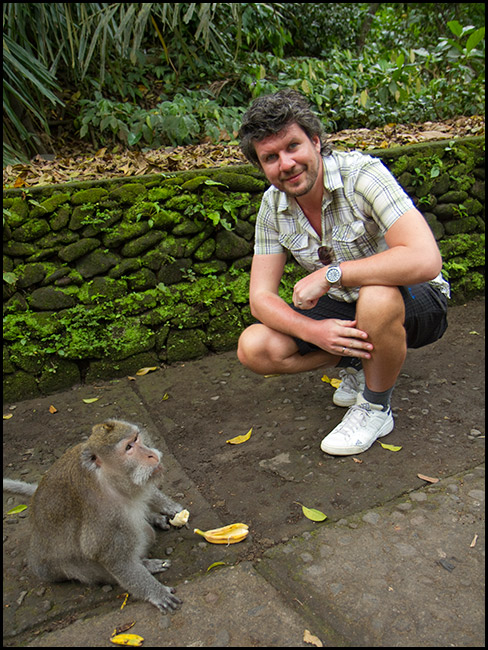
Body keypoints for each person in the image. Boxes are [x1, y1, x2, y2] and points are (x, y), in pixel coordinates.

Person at [237, 89, 449, 456]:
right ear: (261, 166)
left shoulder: (361, 175)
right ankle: (358, 360)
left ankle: (375, 407)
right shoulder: (272, 207)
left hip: (418, 298)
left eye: (292, 147)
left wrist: (331, 274)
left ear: (316, 141)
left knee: (377, 295)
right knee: (255, 347)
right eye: (270, 157)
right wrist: (313, 330)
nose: (285, 164)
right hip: (347, 307)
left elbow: (425, 258)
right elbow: (261, 297)